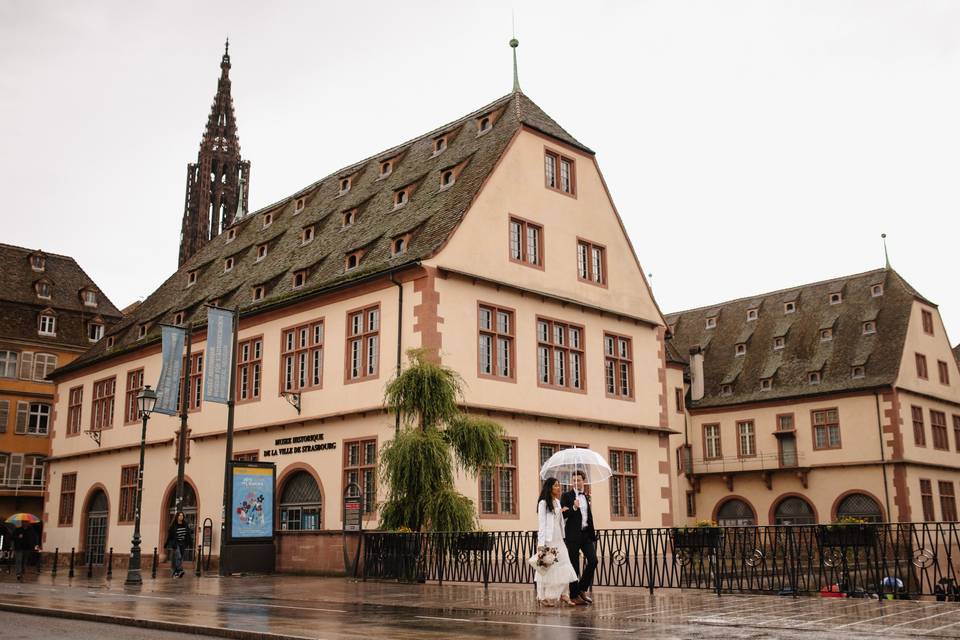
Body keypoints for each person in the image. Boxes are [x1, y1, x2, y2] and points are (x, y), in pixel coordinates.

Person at [534, 477, 579, 607]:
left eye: (559, 485)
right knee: (545, 568)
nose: (558, 488)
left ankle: (565, 594)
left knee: (565, 563)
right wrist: (541, 544)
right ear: (549, 488)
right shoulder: (543, 503)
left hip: (559, 538)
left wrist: (569, 509)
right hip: (548, 540)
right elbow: (542, 525)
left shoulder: (558, 502)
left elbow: (560, 521)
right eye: (555, 486)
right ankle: (542, 596)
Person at [561, 470, 598, 605]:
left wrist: (592, 534)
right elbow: (562, 516)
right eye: (574, 480)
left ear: (583, 481)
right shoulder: (566, 496)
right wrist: (574, 507)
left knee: (593, 561)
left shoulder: (585, 496)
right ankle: (574, 595)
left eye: (579, 480)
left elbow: (588, 516)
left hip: (586, 534)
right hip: (572, 536)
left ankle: (582, 588)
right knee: (574, 566)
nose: (576, 482)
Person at [164, 511, 193, 578]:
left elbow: (188, 534)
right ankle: (180, 569)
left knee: (179, 558)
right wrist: (166, 544)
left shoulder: (185, 524)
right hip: (176, 543)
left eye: (182, 516)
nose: (181, 517)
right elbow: (170, 536)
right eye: (180, 515)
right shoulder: (173, 525)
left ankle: (176, 572)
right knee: (179, 556)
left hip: (183, 543)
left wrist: (190, 543)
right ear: (177, 517)